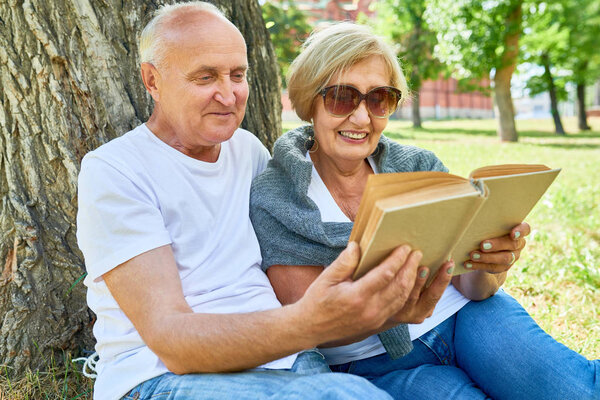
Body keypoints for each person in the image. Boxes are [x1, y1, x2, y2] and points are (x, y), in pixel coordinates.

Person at [76, 3, 453, 400]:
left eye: (237, 75)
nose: (228, 93)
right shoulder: (115, 171)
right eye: (205, 77)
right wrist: (311, 322)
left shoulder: (247, 151)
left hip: (288, 357)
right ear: (152, 80)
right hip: (161, 377)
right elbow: (172, 342)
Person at [249, 22, 600, 400]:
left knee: (576, 390)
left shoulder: (417, 165)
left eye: (379, 99)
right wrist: (396, 309)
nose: (363, 118)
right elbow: (307, 324)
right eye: (341, 98)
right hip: (368, 364)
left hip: (466, 319)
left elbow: (472, 287)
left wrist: (488, 265)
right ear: (308, 101)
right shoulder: (277, 195)